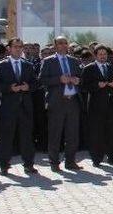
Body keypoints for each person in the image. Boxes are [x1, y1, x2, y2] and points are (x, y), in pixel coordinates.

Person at [0, 37, 38, 175]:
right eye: (15, 46)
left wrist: (28, 86)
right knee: (6, 137)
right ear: (9, 49)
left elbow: (36, 84)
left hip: (25, 107)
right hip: (8, 108)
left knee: (27, 137)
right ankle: (4, 165)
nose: (18, 49)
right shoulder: (0, 65)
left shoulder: (28, 65)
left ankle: (28, 164)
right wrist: (9, 88)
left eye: (20, 46)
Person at [39, 35, 83, 172]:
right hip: (57, 102)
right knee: (55, 133)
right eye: (60, 43)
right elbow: (42, 80)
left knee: (72, 134)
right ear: (55, 46)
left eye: (65, 43)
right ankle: (54, 162)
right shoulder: (48, 61)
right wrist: (59, 79)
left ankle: (70, 161)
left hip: (72, 102)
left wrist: (78, 81)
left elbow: (82, 77)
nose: (63, 45)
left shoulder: (74, 61)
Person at [81, 44, 113, 167]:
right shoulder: (89, 68)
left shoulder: (111, 67)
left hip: (111, 104)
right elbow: (83, 86)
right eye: (100, 54)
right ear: (95, 55)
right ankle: (97, 158)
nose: (103, 57)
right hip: (96, 105)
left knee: (112, 131)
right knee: (96, 132)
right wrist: (96, 85)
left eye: (105, 54)